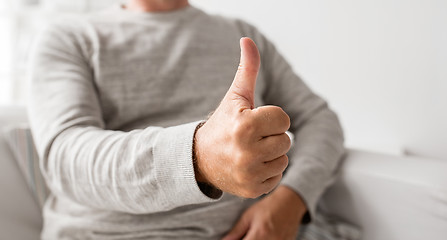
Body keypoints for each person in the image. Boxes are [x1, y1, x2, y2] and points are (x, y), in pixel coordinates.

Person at [28, 0, 344, 239]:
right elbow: (65, 159)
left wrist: (292, 200)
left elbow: (320, 119)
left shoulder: (242, 34)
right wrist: (198, 157)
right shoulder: (69, 37)